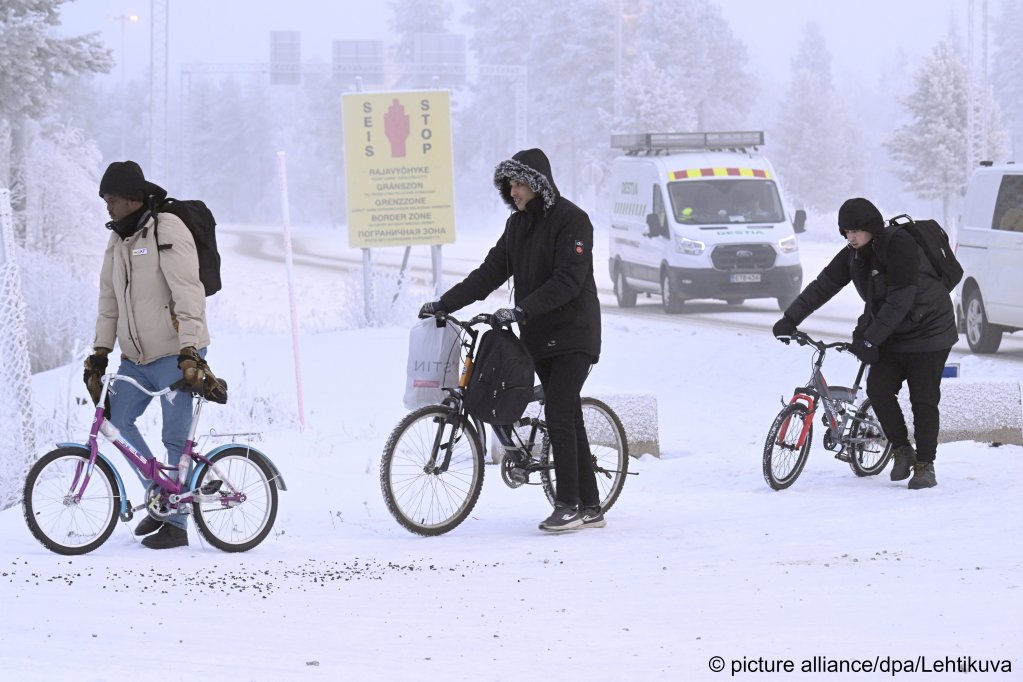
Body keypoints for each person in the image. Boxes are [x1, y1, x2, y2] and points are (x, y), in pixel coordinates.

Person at [419, 148, 603, 531]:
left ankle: (568, 504)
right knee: (567, 415)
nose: (513, 191)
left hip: (574, 334)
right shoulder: (516, 227)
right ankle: (591, 505)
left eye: (519, 183)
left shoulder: (573, 222)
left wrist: (522, 310)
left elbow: (569, 281)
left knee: (558, 410)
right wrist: (444, 303)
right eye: (509, 184)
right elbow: (488, 274)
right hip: (538, 336)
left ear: (537, 184)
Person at [772, 198, 957, 489]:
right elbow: (824, 285)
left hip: (929, 332)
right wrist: (790, 319)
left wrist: (870, 338)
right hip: (892, 333)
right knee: (879, 389)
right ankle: (901, 450)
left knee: (923, 399)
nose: (851, 237)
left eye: (856, 230)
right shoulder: (854, 254)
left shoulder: (899, 246)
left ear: (871, 227)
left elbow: (900, 299)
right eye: (846, 231)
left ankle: (925, 466)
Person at [83, 161, 218, 549]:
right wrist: (100, 352)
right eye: (104, 199)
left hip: (176, 352)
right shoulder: (117, 239)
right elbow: (109, 301)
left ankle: (176, 523)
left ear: (133, 198)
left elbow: (187, 290)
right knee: (117, 420)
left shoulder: (167, 228)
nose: (107, 206)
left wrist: (191, 349)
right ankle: (162, 499)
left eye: (111, 199)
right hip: (135, 359)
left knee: (174, 437)